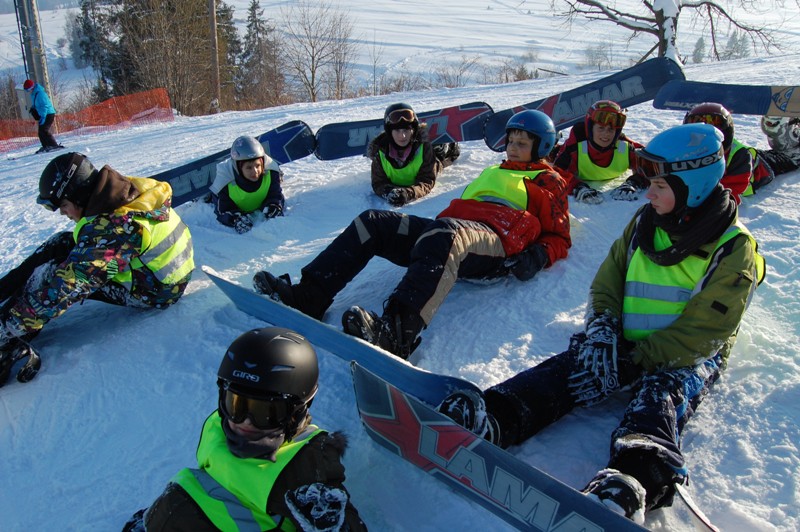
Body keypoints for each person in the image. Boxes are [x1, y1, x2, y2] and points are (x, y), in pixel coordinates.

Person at [438, 123, 765, 524]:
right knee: (576, 364)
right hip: (627, 339)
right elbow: (608, 281)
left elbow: (705, 331)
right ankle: (498, 416)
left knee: (659, 395)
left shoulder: (733, 246)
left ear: (692, 187)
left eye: (660, 186)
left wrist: (635, 361)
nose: (649, 193)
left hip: (684, 356)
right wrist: (603, 329)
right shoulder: (645, 222)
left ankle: (634, 480)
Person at [252, 110, 570, 359]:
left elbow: (559, 236)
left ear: (541, 147)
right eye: (511, 141)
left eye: (522, 143)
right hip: (451, 233)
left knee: (447, 232)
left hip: (496, 241)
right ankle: (309, 296)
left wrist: (539, 255)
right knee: (373, 221)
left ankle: (396, 333)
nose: (512, 148)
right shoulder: (494, 171)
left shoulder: (547, 179)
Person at [124, 326, 367, 531]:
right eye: (236, 405)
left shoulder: (304, 463)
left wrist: (334, 522)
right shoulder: (218, 425)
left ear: (296, 410)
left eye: (265, 412)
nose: (245, 421)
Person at [0, 152, 194, 386]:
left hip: (155, 291)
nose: (63, 213)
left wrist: (10, 325)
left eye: (63, 205)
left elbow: (67, 289)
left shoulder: (117, 228)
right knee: (60, 243)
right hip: (157, 270)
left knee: (55, 273)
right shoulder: (121, 190)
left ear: (78, 196)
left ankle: (8, 333)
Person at [552, 100, 645, 204]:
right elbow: (557, 173)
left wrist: (634, 182)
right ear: (590, 129)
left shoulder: (625, 147)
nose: (606, 134)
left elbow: (650, 163)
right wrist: (577, 187)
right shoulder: (574, 148)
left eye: (611, 129)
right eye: (601, 128)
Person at [368, 102, 459, 206]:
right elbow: (378, 182)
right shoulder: (380, 153)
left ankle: (447, 146)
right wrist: (388, 191)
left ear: (413, 130)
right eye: (397, 130)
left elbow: (427, 180)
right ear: (389, 132)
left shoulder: (424, 148)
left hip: (433, 159)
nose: (402, 135)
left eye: (406, 129)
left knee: (440, 155)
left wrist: (408, 193)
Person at [682, 102, 774, 203]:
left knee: (782, 159)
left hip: (761, 167)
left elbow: (729, 193)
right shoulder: (683, 152)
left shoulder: (739, 155)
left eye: (714, 122)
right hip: (747, 156)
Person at [209, 135, 285, 234]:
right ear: (239, 168)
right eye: (249, 167)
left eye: (258, 165)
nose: (255, 171)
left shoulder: (272, 171)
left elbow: (275, 194)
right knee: (210, 197)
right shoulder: (224, 182)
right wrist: (234, 219)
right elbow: (222, 211)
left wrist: (274, 205)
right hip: (227, 191)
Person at [23, 79, 63, 153]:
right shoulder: (34, 94)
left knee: (44, 130)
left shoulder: (40, 94)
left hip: (48, 114)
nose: (28, 91)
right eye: (26, 90)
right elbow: (37, 105)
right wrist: (33, 108)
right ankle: (45, 146)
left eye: (28, 89)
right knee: (40, 132)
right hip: (43, 114)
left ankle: (53, 145)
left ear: (32, 87)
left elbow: (44, 106)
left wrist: (43, 117)